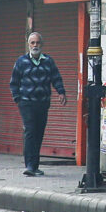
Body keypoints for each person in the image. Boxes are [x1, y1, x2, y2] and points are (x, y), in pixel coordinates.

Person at [8, 31, 67, 177]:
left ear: (42, 44)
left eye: (37, 43)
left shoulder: (48, 61)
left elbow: (56, 78)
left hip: (43, 103)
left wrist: (61, 92)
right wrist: (18, 99)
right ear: (28, 45)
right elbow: (14, 82)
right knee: (30, 131)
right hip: (27, 103)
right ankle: (29, 165)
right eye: (32, 43)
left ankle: (35, 166)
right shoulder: (21, 62)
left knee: (39, 133)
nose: (35, 45)